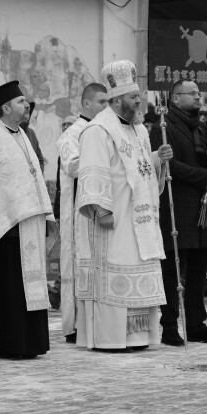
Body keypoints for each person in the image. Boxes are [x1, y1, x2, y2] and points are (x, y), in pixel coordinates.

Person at [74, 60, 172, 350]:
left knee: (140, 268)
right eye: (133, 97)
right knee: (115, 271)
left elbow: (141, 170)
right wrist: (102, 210)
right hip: (114, 220)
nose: (139, 100)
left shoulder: (139, 130)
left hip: (141, 222)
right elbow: (92, 171)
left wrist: (158, 159)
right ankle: (110, 338)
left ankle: (138, 336)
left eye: (139, 95)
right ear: (116, 101)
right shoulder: (98, 130)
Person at [0, 80, 56, 359]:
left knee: (29, 286)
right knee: (7, 289)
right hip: (4, 230)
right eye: (21, 102)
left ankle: (32, 341)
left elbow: (34, 177)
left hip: (28, 226)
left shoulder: (23, 135)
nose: (26, 105)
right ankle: (7, 343)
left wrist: (44, 213)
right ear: (5, 107)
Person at [149, 80, 207, 345]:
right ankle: (169, 325)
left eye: (199, 93)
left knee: (198, 269)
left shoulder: (201, 127)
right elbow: (170, 166)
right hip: (178, 205)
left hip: (203, 207)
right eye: (192, 93)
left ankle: (196, 324)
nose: (198, 97)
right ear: (175, 98)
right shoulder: (163, 127)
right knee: (172, 268)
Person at [55, 83, 108, 342]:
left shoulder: (107, 131)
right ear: (86, 104)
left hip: (103, 212)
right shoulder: (72, 134)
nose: (106, 107)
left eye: (108, 102)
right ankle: (76, 325)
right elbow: (74, 167)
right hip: (80, 215)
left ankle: (100, 321)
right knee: (80, 266)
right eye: (101, 102)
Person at [20, 101, 45, 173]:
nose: (27, 115)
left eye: (28, 112)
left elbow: (40, 159)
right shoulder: (11, 133)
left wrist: (39, 175)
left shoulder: (31, 133)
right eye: (24, 112)